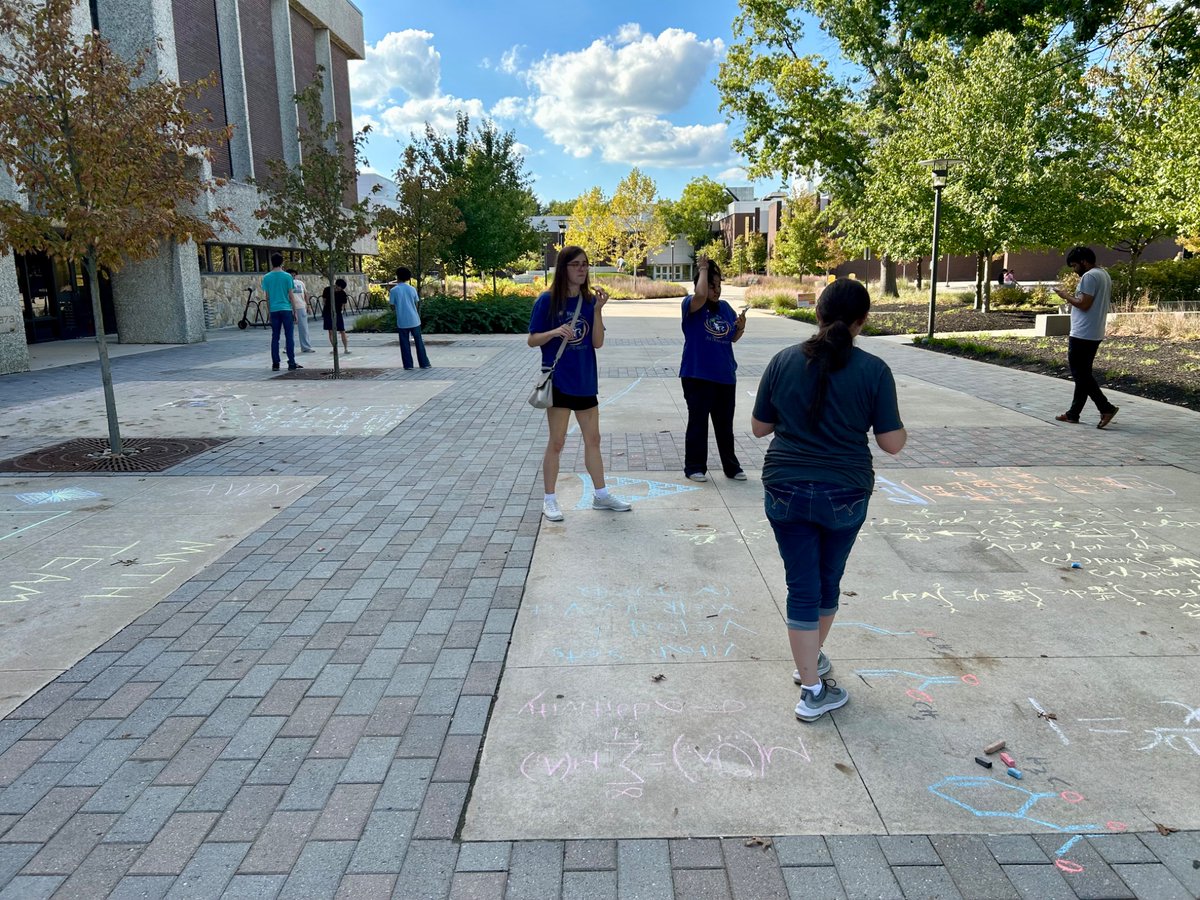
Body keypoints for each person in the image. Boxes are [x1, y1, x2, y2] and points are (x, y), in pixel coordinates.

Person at [751, 279, 905, 722]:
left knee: (800, 585)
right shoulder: (874, 370)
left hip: (785, 486)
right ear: (862, 322)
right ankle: (811, 680)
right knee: (827, 582)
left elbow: (761, 428)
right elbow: (892, 443)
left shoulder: (783, 361)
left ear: (816, 314)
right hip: (845, 491)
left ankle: (812, 677)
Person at [528, 245, 631, 521]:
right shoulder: (547, 301)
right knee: (558, 442)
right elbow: (532, 339)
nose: (582, 269)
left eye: (585, 264)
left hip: (586, 380)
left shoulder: (588, 301)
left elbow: (597, 342)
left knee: (593, 440)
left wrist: (598, 310)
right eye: (576, 264)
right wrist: (554, 332)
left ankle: (601, 494)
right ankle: (549, 499)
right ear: (563, 268)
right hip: (560, 381)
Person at [680, 256, 746, 482]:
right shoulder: (691, 305)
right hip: (697, 374)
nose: (716, 290)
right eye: (711, 285)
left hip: (725, 374)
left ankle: (731, 467)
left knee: (724, 424)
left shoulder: (725, 308)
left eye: (719, 286)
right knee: (698, 422)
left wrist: (740, 329)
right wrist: (703, 268)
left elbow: (732, 338)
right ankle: (695, 467)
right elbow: (700, 295)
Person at [1053, 246, 1118, 428]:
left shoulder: (1089, 276)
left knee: (1080, 374)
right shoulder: (1103, 274)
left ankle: (1106, 408)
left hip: (1083, 333)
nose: (1074, 271)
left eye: (1074, 266)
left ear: (1083, 261)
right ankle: (1074, 413)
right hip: (1094, 332)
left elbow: (1084, 304)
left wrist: (1065, 295)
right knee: (1083, 374)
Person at [262, 253, 301, 371]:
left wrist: (269, 312)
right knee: (289, 337)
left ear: (271, 262)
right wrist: (294, 311)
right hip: (286, 309)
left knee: (275, 337)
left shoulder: (266, 277)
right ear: (282, 262)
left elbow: (267, 297)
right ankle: (291, 362)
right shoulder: (287, 277)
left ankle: (275, 363)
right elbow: (291, 295)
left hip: (274, 310)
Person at [389, 267, 431, 369]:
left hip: (402, 321)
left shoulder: (394, 290)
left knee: (404, 343)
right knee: (419, 342)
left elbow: (392, 306)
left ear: (397, 276)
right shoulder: (412, 289)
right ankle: (424, 363)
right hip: (414, 319)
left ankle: (408, 365)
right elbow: (416, 303)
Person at [287, 269, 315, 353]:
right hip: (289, 307)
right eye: (291, 275)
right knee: (288, 328)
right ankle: (287, 347)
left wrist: (308, 305)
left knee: (303, 328)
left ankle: (306, 347)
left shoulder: (300, 283)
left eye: (294, 275)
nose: (293, 277)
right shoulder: (285, 283)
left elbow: (306, 294)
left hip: (301, 306)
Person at [322, 278, 351, 355]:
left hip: (337, 313)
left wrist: (340, 310)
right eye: (338, 288)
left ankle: (346, 348)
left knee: (342, 330)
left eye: (340, 289)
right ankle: (335, 348)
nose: (338, 290)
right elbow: (324, 300)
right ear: (335, 285)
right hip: (328, 312)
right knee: (330, 331)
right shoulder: (327, 290)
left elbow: (343, 303)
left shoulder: (342, 293)